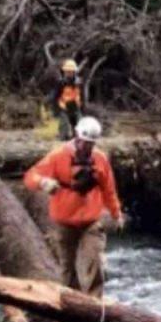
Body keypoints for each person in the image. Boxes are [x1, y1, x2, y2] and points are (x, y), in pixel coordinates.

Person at [23, 116, 123, 297]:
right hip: (64, 222)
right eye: (83, 142)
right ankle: (69, 302)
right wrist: (43, 182)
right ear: (76, 136)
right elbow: (30, 176)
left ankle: (95, 305)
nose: (86, 147)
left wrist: (116, 214)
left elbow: (109, 190)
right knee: (68, 268)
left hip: (91, 222)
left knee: (95, 263)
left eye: (90, 143)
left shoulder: (100, 159)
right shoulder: (58, 156)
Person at [51, 59, 84, 140]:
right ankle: (63, 138)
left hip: (76, 106)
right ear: (64, 72)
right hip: (64, 106)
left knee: (79, 126)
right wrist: (56, 108)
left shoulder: (79, 82)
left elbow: (82, 95)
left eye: (70, 71)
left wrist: (82, 106)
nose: (68, 73)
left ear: (74, 72)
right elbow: (55, 96)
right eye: (67, 71)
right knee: (64, 125)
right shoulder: (61, 82)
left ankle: (77, 138)